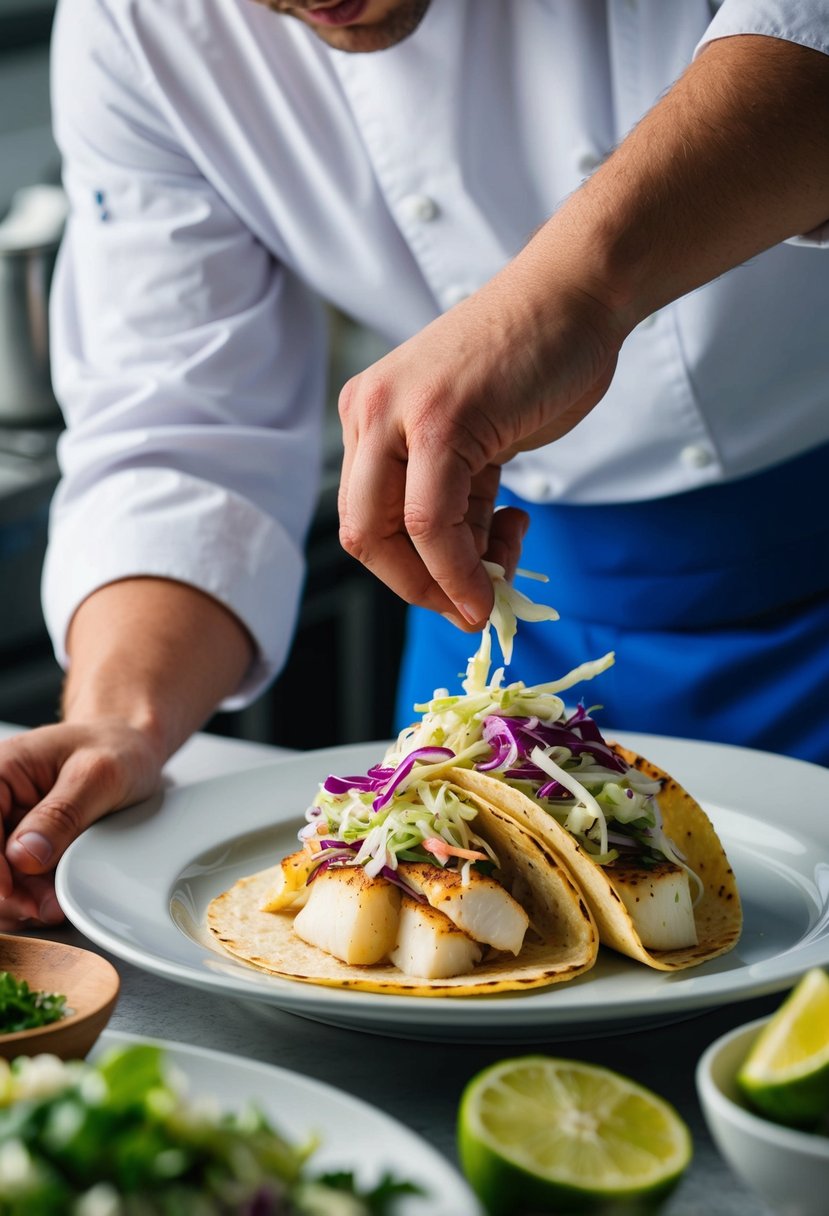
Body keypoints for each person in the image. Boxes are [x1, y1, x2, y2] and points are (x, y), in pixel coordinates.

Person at [1, 0, 828, 931]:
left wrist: (578, 286)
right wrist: (125, 718)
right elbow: (185, 423)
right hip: (496, 626)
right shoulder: (132, 24)